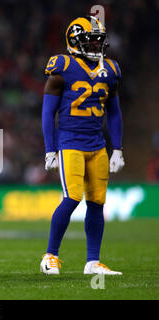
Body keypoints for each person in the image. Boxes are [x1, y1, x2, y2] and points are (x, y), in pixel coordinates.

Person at [40, 16, 125, 275]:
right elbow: (47, 112)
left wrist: (118, 148)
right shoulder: (62, 65)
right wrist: (49, 149)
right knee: (72, 197)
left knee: (97, 202)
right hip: (70, 143)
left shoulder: (110, 69)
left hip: (97, 145)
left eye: (98, 40)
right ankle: (50, 256)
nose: (96, 45)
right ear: (74, 41)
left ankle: (92, 262)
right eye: (90, 40)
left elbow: (114, 112)